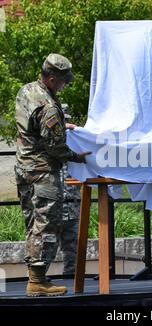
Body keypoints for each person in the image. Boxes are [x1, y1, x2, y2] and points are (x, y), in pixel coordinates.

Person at [15, 53, 91, 296]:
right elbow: (55, 148)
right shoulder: (48, 106)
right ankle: (37, 281)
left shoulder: (27, 90)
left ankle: (36, 277)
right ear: (50, 78)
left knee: (32, 221)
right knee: (47, 223)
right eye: (62, 80)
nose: (65, 84)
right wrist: (76, 157)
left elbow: (34, 127)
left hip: (24, 167)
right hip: (43, 172)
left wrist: (59, 125)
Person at [59, 104, 81, 278]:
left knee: (72, 245)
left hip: (72, 202)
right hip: (52, 203)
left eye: (67, 121)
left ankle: (71, 277)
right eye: (62, 122)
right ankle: (38, 278)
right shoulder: (45, 140)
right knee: (46, 242)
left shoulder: (76, 141)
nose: (66, 126)